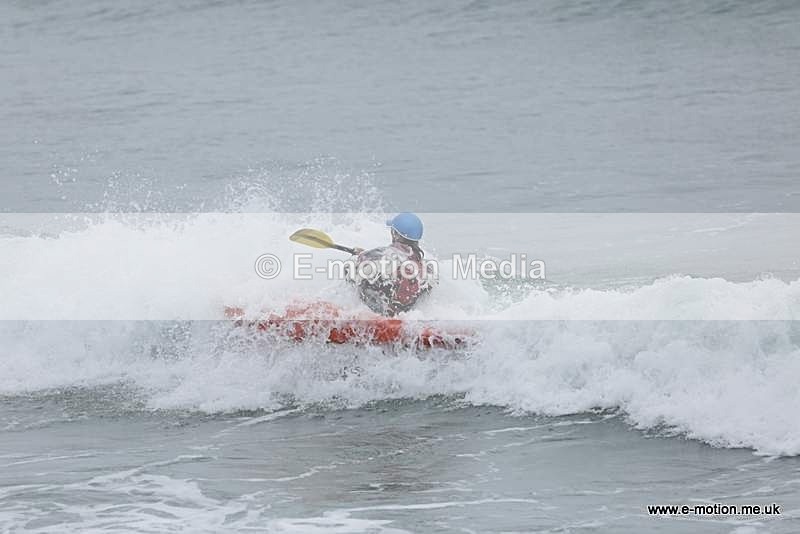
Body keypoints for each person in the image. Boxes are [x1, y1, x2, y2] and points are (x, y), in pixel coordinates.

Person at [345, 213, 436, 316]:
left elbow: (359, 262)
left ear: (395, 234)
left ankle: (359, 308)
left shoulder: (385, 253)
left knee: (351, 268)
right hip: (407, 314)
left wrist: (361, 255)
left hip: (382, 313)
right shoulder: (426, 267)